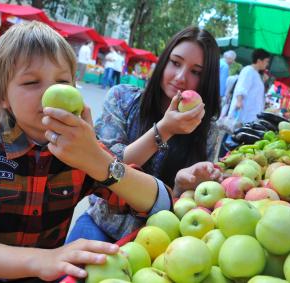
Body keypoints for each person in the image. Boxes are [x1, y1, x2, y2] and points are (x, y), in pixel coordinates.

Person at [0, 21, 172, 283]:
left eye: (62, 82)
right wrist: (44, 259)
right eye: (32, 82)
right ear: (2, 96)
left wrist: (98, 161)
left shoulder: (81, 149)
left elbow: (160, 203)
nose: (49, 92)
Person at [68, 26, 222, 243]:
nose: (180, 77)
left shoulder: (208, 131)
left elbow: (194, 203)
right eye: (175, 63)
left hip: (159, 239)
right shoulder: (122, 99)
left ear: (207, 79)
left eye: (196, 72)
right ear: (164, 61)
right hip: (102, 222)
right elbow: (104, 169)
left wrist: (180, 184)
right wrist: (164, 130)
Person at [227, 48, 271, 124]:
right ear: (259, 60)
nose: (267, 64)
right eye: (266, 61)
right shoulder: (248, 70)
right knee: (234, 132)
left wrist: (263, 81)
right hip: (244, 113)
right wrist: (239, 101)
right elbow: (241, 87)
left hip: (250, 115)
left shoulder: (256, 74)